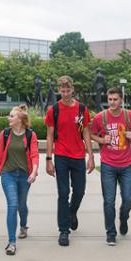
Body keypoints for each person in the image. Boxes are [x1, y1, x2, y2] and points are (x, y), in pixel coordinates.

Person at [45, 75, 95, 247]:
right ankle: (64, 231)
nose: (65, 94)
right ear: (59, 90)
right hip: (61, 156)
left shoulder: (81, 109)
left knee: (79, 191)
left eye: (68, 90)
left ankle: (72, 212)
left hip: (78, 156)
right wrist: (48, 159)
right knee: (63, 193)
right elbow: (50, 135)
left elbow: (85, 133)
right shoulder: (54, 110)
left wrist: (91, 156)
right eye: (62, 90)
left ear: (72, 90)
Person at [90, 87, 131, 246]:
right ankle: (111, 233)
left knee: (128, 197)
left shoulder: (129, 116)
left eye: (115, 99)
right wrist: (100, 140)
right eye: (110, 99)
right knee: (109, 200)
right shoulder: (100, 118)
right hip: (108, 165)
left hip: (126, 164)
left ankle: (123, 217)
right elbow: (90, 133)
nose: (112, 102)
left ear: (121, 100)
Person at [0, 104, 39, 256]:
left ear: (20, 119)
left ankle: (23, 226)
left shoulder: (30, 135)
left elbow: (34, 155)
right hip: (8, 174)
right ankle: (11, 242)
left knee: (21, 204)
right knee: (13, 204)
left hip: (25, 175)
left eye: (11, 116)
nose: (8, 118)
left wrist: (34, 172)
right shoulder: (4, 134)